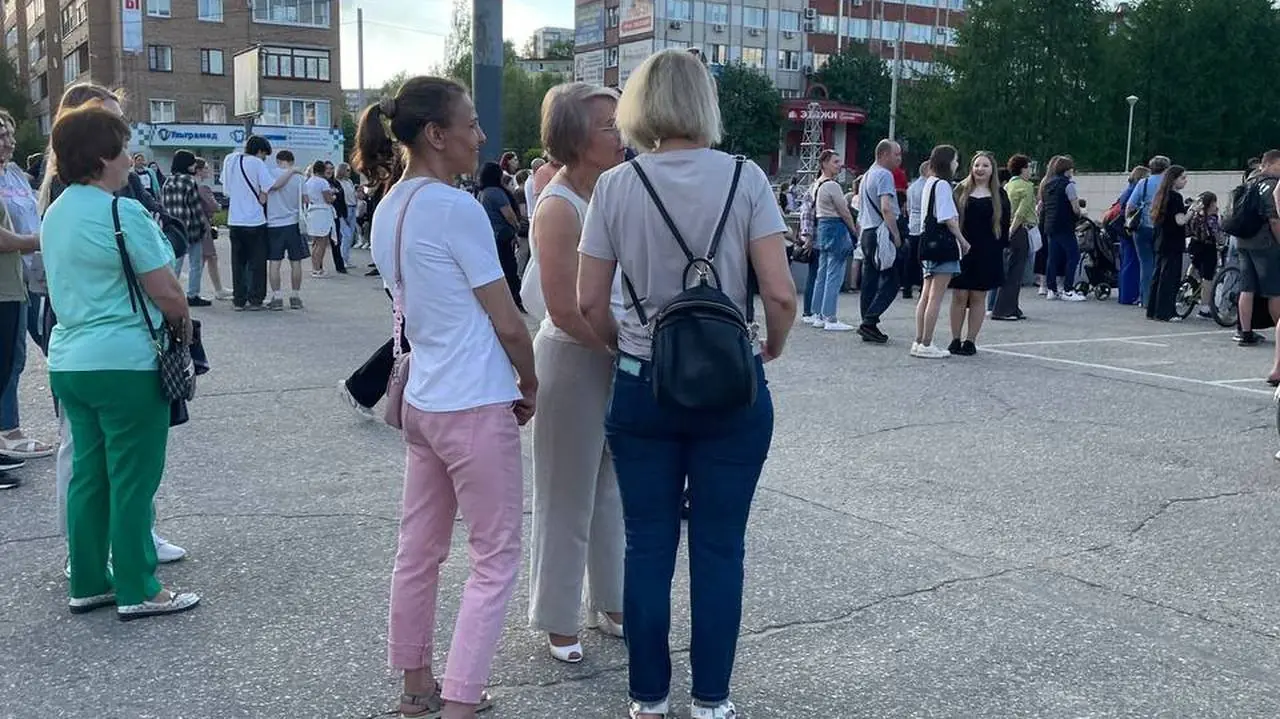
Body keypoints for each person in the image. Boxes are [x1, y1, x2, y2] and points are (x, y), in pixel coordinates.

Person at [577, 48, 796, 719]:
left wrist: (627, 348)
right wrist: (770, 346)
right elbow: (780, 293)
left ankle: (647, 698)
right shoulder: (746, 178)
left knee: (647, 544)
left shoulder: (616, 186)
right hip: (731, 385)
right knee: (720, 546)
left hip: (643, 383)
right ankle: (711, 699)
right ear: (705, 103)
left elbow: (588, 300)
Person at [355, 76, 536, 719]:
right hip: (474, 399)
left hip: (424, 399)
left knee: (419, 550)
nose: (480, 137)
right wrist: (530, 381)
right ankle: (461, 697)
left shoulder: (389, 207)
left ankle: (416, 685)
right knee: (495, 556)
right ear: (436, 134)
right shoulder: (456, 209)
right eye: (471, 124)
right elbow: (508, 320)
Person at [43, 105, 200, 620]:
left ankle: (88, 579)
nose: (131, 160)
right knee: (133, 477)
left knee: (89, 475)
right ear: (103, 157)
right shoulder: (122, 212)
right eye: (125, 150)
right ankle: (139, 586)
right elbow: (167, 292)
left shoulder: (55, 213)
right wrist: (181, 326)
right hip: (125, 360)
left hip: (70, 360)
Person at [524, 82, 627, 665]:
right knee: (565, 492)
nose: (621, 133)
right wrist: (619, 351)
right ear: (575, 137)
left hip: (608, 351)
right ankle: (557, 616)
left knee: (609, 485)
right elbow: (564, 308)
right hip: (572, 356)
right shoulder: (560, 205)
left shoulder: (606, 190)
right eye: (608, 125)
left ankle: (610, 599)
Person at [0, 110, 54, 461]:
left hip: (24, 277)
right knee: (8, 357)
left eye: (10, 133)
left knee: (21, 353)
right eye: (1, 135)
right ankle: (8, 431)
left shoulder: (14, 173)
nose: (9, 141)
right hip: (6, 280)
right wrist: (38, 242)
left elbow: (33, 213)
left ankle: (9, 429)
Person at [911, 145, 970, 359]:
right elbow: (947, 218)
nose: (956, 164)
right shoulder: (943, 185)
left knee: (926, 295)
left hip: (927, 242)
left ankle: (919, 340)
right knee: (936, 297)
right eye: (955, 160)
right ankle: (927, 342)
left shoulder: (929, 182)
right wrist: (962, 240)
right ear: (947, 162)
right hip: (943, 244)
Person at [948, 151, 1010, 354]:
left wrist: (1000, 249)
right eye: (976, 165)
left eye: (985, 165)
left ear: (992, 169)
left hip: (988, 251)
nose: (980, 169)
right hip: (963, 249)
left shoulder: (1000, 194)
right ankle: (955, 339)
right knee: (959, 295)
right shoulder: (960, 190)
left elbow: (1004, 225)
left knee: (978, 296)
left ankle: (970, 341)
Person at [220, 136, 276, 310]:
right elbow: (267, 188)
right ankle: (256, 299)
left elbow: (226, 188)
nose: (264, 158)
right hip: (255, 220)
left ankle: (239, 299)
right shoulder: (257, 164)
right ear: (259, 151)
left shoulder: (231, 160)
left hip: (235, 219)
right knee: (257, 262)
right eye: (264, 154)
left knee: (238, 263)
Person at [857, 139, 904, 343]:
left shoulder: (867, 175)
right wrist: (896, 234)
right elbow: (886, 207)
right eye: (896, 154)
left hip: (867, 231)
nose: (899, 159)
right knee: (892, 280)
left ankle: (867, 321)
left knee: (870, 279)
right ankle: (870, 321)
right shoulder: (884, 175)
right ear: (884, 154)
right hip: (880, 232)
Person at [808, 149, 857, 331]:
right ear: (825, 164)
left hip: (823, 226)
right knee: (834, 274)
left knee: (822, 273)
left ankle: (818, 314)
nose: (839, 165)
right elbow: (844, 211)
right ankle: (830, 316)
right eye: (835, 162)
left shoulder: (817, 184)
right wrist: (853, 230)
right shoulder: (832, 186)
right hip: (835, 226)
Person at [1235, 150, 1280, 349]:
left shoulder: (1249, 182)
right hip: (1266, 243)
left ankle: (1245, 332)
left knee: (1247, 288)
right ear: (1268, 164)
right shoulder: (1271, 185)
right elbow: (1274, 219)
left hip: (1244, 241)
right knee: (1274, 290)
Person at [160, 150, 211, 307]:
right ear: (186, 164)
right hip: (192, 229)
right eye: (192, 163)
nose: (195, 165)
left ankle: (170, 294)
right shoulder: (189, 181)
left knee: (175, 264)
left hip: (173, 230)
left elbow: (162, 205)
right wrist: (205, 226)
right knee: (195, 264)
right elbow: (195, 207)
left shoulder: (167, 182)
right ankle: (192, 295)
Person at [476, 161, 525, 311]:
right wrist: (517, 228)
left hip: (491, 236)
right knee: (510, 268)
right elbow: (509, 215)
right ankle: (516, 299)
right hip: (503, 235)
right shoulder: (496, 192)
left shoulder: (482, 193)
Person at [993, 154, 1036, 321]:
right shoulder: (1027, 186)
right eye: (1029, 168)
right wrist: (1012, 229)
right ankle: (1004, 309)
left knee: (1010, 268)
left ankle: (1013, 307)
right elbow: (1021, 212)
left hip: (1007, 228)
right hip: (1019, 230)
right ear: (1023, 169)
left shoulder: (1008, 186)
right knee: (1015, 271)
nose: (1030, 171)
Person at [1125, 155, 1171, 307]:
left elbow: (1131, 205)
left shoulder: (1143, 183)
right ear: (1166, 168)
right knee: (1160, 263)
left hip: (1142, 227)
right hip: (1161, 227)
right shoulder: (1167, 184)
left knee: (1145, 264)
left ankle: (1145, 299)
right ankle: (1158, 299)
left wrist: (1129, 222)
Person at [265, 150, 308, 309]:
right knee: (296, 262)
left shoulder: (270, 174)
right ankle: (295, 296)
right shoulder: (300, 178)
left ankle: (277, 297)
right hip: (293, 224)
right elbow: (305, 199)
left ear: (278, 161)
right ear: (292, 161)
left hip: (274, 224)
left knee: (274, 262)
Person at [1146, 165, 1189, 322]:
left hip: (1160, 239)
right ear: (1174, 179)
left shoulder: (1160, 196)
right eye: (1182, 178)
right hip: (1173, 240)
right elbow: (1180, 220)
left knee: (1158, 275)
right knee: (1170, 277)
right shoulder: (1176, 197)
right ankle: (1166, 312)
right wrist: (1192, 211)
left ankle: (1153, 309)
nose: (1185, 181)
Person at [1040, 156, 1086, 302]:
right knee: (1074, 256)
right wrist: (1081, 214)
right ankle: (1068, 289)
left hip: (1050, 225)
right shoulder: (1068, 185)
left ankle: (1051, 290)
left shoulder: (1048, 185)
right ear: (1067, 170)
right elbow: (1075, 208)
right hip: (1065, 226)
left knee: (1052, 258)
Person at [194, 158, 232, 300]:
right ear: (198, 170)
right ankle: (204, 290)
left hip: (194, 223)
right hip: (203, 224)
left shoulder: (190, 185)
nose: (208, 171)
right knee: (207, 257)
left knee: (208, 257)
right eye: (205, 168)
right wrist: (220, 206)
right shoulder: (202, 188)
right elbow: (214, 206)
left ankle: (217, 288)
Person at [1113, 165, 1152, 305]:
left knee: (1127, 263)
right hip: (1133, 228)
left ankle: (1125, 295)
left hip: (1125, 230)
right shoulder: (1136, 190)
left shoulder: (1127, 190)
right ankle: (1131, 295)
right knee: (1133, 263)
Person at [1185, 191, 1222, 319]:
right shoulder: (1211, 219)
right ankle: (1204, 308)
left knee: (1194, 266)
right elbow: (1217, 236)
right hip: (1208, 247)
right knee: (1207, 278)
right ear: (1211, 204)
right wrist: (1221, 242)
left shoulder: (1195, 215)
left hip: (1194, 245)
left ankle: (1187, 286)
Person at [304, 161, 337, 278]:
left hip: (312, 211)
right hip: (322, 212)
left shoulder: (308, 182)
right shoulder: (323, 182)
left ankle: (315, 267)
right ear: (323, 170)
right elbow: (328, 199)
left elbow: (306, 199)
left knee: (315, 242)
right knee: (322, 242)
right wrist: (333, 196)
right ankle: (317, 269)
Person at [323, 161, 348, 274]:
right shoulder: (322, 182)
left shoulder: (336, 183)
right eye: (327, 168)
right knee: (321, 242)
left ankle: (340, 266)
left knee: (336, 240)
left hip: (336, 215)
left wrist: (344, 214)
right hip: (324, 214)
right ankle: (318, 266)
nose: (329, 171)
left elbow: (342, 199)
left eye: (331, 168)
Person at [337, 162, 358, 264]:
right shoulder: (338, 182)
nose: (349, 172)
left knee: (351, 235)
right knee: (347, 235)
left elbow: (352, 195)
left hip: (353, 208)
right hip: (344, 209)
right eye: (347, 170)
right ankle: (342, 259)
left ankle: (346, 258)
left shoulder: (349, 181)